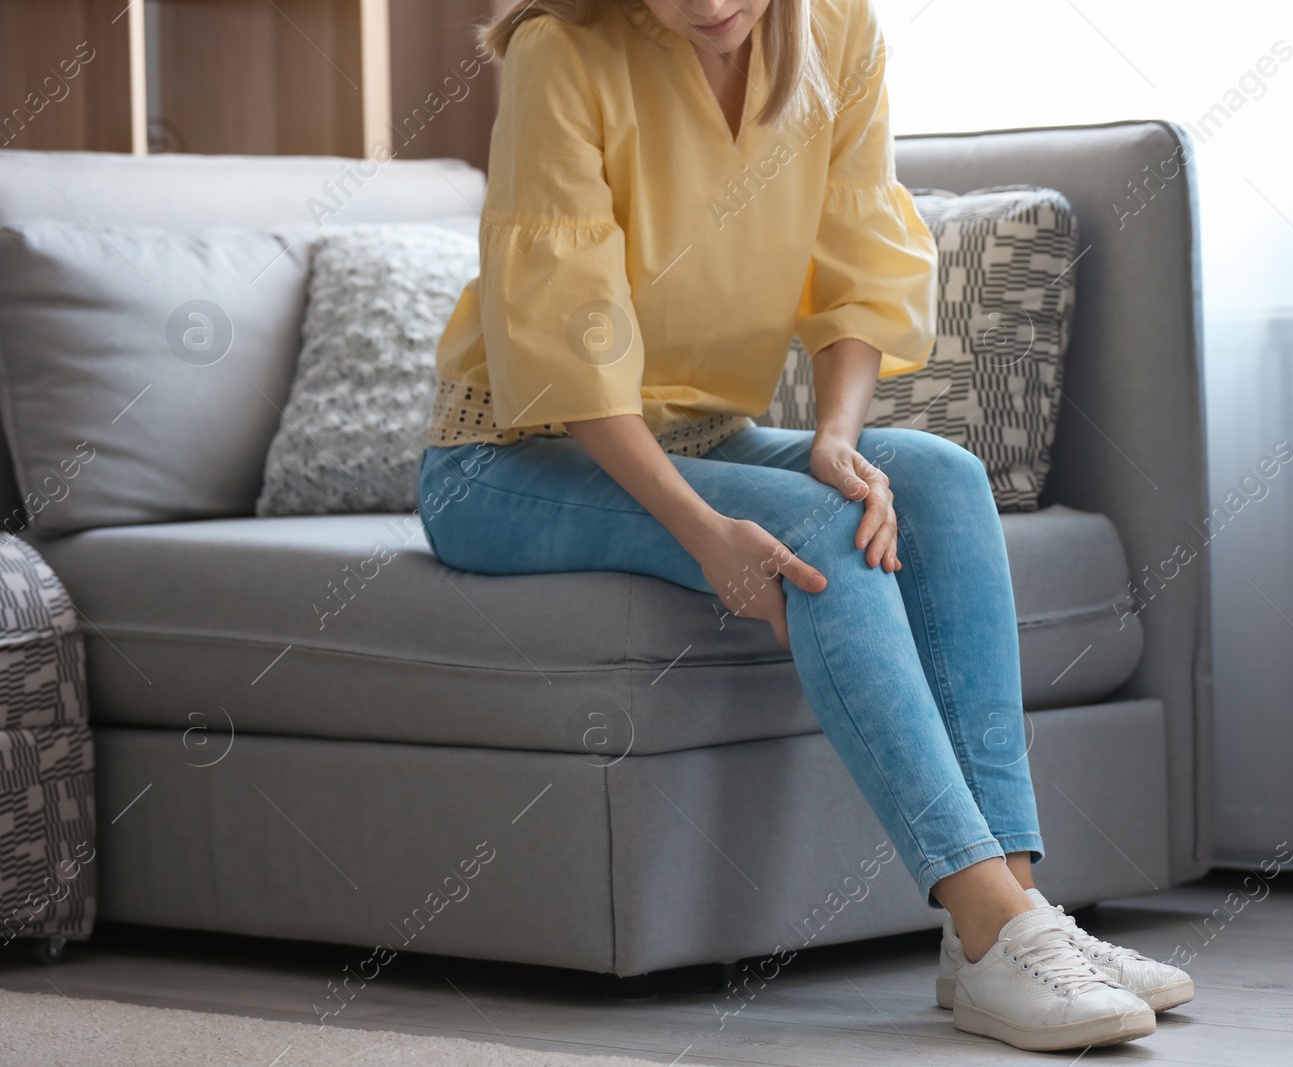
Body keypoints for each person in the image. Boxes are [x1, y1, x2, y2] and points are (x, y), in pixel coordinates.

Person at [417, 0, 1192, 1051]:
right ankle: (993, 917)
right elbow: (568, 333)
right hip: (508, 454)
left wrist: (835, 438)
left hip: (705, 429)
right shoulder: (564, 53)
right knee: (821, 534)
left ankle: (1004, 919)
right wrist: (705, 533)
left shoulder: (838, 31)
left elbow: (859, 251)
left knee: (943, 480)